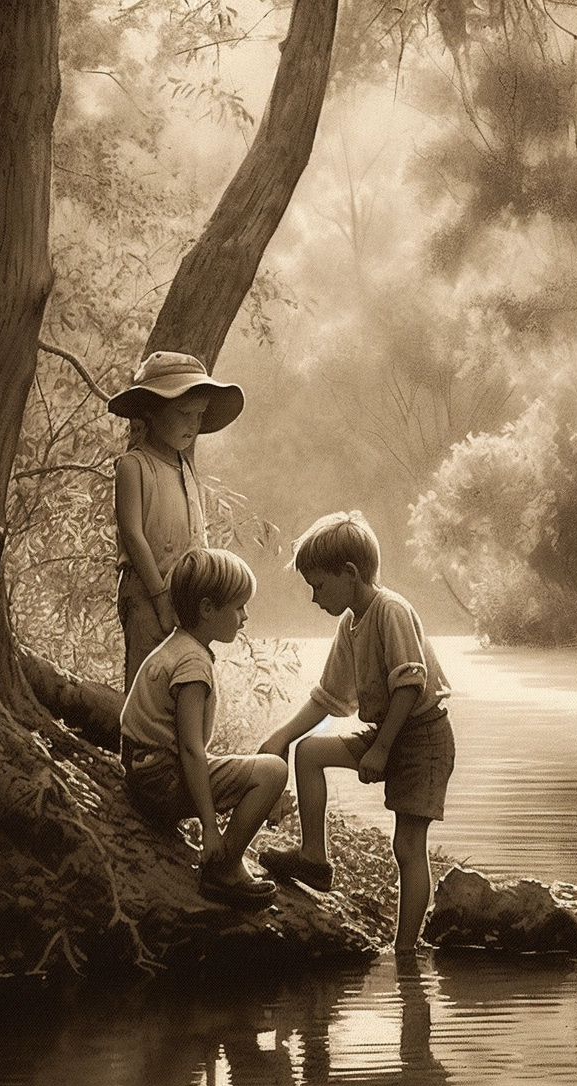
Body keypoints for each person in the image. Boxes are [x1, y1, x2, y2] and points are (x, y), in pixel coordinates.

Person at [258, 511, 455, 951]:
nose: (314, 598)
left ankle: (405, 949)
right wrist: (281, 738)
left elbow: (410, 683)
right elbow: (328, 697)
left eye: (318, 585)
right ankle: (314, 857)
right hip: (387, 733)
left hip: (423, 736)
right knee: (309, 754)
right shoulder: (350, 625)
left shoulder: (391, 610)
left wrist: (381, 749)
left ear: (349, 574)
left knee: (407, 846)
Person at [121, 546, 286, 910]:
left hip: (144, 774)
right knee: (273, 770)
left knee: (259, 773)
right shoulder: (193, 665)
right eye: (238, 606)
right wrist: (210, 827)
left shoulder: (176, 647)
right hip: (161, 783)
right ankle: (223, 869)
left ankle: (229, 855)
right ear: (208, 609)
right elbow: (191, 749)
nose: (244, 617)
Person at [108, 351, 244, 690]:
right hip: (147, 591)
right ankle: (139, 743)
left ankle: (185, 744)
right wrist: (159, 595)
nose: (192, 425)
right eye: (183, 413)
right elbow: (133, 534)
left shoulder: (187, 468)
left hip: (186, 593)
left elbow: (198, 536)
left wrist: (208, 585)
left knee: (185, 678)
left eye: (198, 416)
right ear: (151, 412)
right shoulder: (133, 466)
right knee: (146, 680)